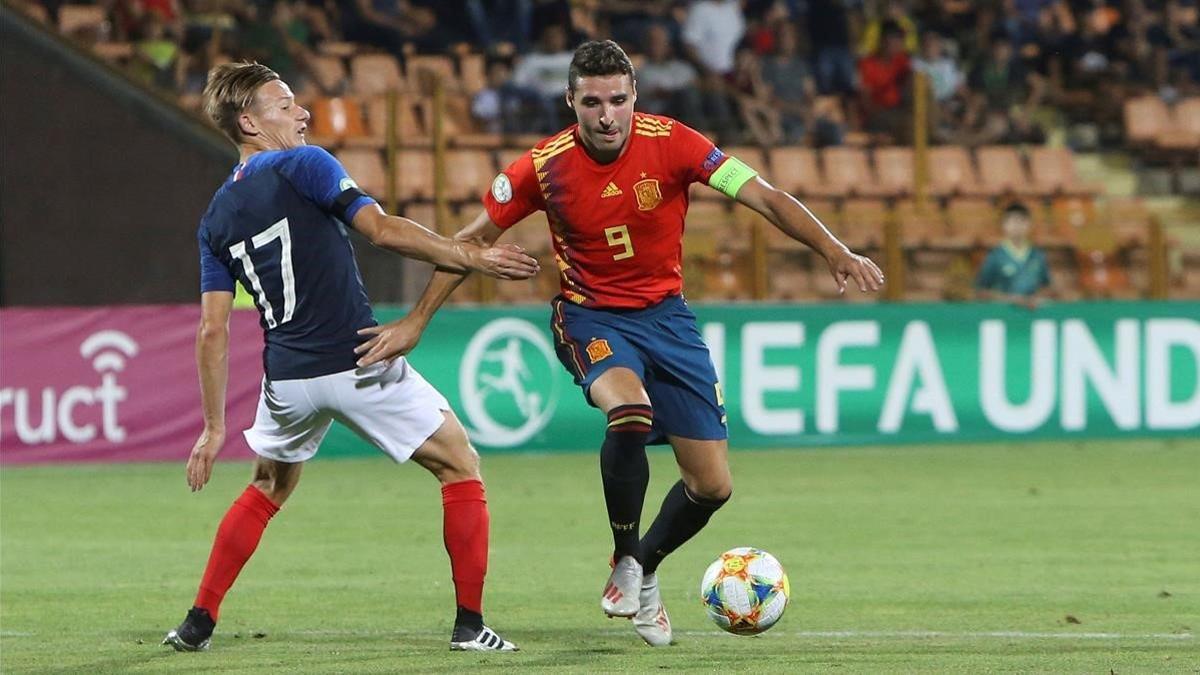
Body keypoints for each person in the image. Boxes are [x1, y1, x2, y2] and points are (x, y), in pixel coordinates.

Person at [351, 40, 884, 647]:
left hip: (669, 321)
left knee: (712, 486)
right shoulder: (540, 167)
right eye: (592, 103)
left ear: (636, 96)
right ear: (570, 101)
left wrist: (833, 249)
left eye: (619, 100)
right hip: (591, 318)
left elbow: (762, 195)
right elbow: (464, 244)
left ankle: (644, 567)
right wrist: (418, 320)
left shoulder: (677, 142)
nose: (607, 115)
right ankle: (625, 558)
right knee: (629, 412)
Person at [161, 62, 538, 654]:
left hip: (287, 380)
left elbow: (212, 329)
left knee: (267, 485)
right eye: (284, 105)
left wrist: (213, 428)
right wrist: (473, 257)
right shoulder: (305, 164)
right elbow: (382, 231)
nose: (301, 112)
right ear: (249, 122)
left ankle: (197, 622)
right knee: (460, 466)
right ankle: (470, 626)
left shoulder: (214, 218)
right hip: (358, 359)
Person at [975, 203, 1052, 310]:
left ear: (1029, 224)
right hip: (1005, 318)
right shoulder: (995, 256)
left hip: (1033, 316)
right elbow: (981, 292)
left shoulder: (1038, 255)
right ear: (1004, 225)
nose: (1017, 226)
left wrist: (1037, 298)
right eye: (1012, 221)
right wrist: (1010, 299)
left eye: (1022, 221)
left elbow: (1047, 286)